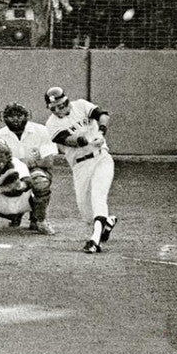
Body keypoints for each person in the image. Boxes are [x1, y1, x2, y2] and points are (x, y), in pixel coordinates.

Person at [44, 86, 117, 253]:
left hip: (101, 158)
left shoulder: (81, 105)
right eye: (54, 108)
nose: (59, 110)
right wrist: (90, 138)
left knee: (98, 196)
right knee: (86, 211)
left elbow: (103, 115)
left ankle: (95, 240)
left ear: (67, 100)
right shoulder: (52, 124)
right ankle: (107, 222)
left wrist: (101, 131)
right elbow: (71, 140)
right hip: (80, 166)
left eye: (61, 105)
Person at [0, 102, 58, 235]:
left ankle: (39, 219)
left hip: (35, 171)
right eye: (11, 116)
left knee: (40, 181)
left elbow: (48, 162)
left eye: (19, 115)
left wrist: (24, 163)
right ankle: (14, 215)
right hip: (12, 173)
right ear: (3, 118)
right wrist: (23, 164)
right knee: (4, 187)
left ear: (27, 115)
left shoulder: (42, 131)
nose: (16, 119)